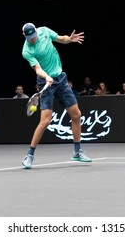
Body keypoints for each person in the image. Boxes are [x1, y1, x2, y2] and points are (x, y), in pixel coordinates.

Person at [21, 22, 92, 169]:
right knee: (45, 121)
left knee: (76, 115)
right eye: (30, 38)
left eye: (34, 36)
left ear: (36, 31)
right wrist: (46, 76)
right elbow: (37, 69)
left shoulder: (44, 31)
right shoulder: (27, 50)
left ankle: (77, 152)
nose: (33, 39)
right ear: (25, 37)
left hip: (61, 79)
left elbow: (61, 39)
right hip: (45, 83)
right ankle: (29, 155)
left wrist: (69, 39)